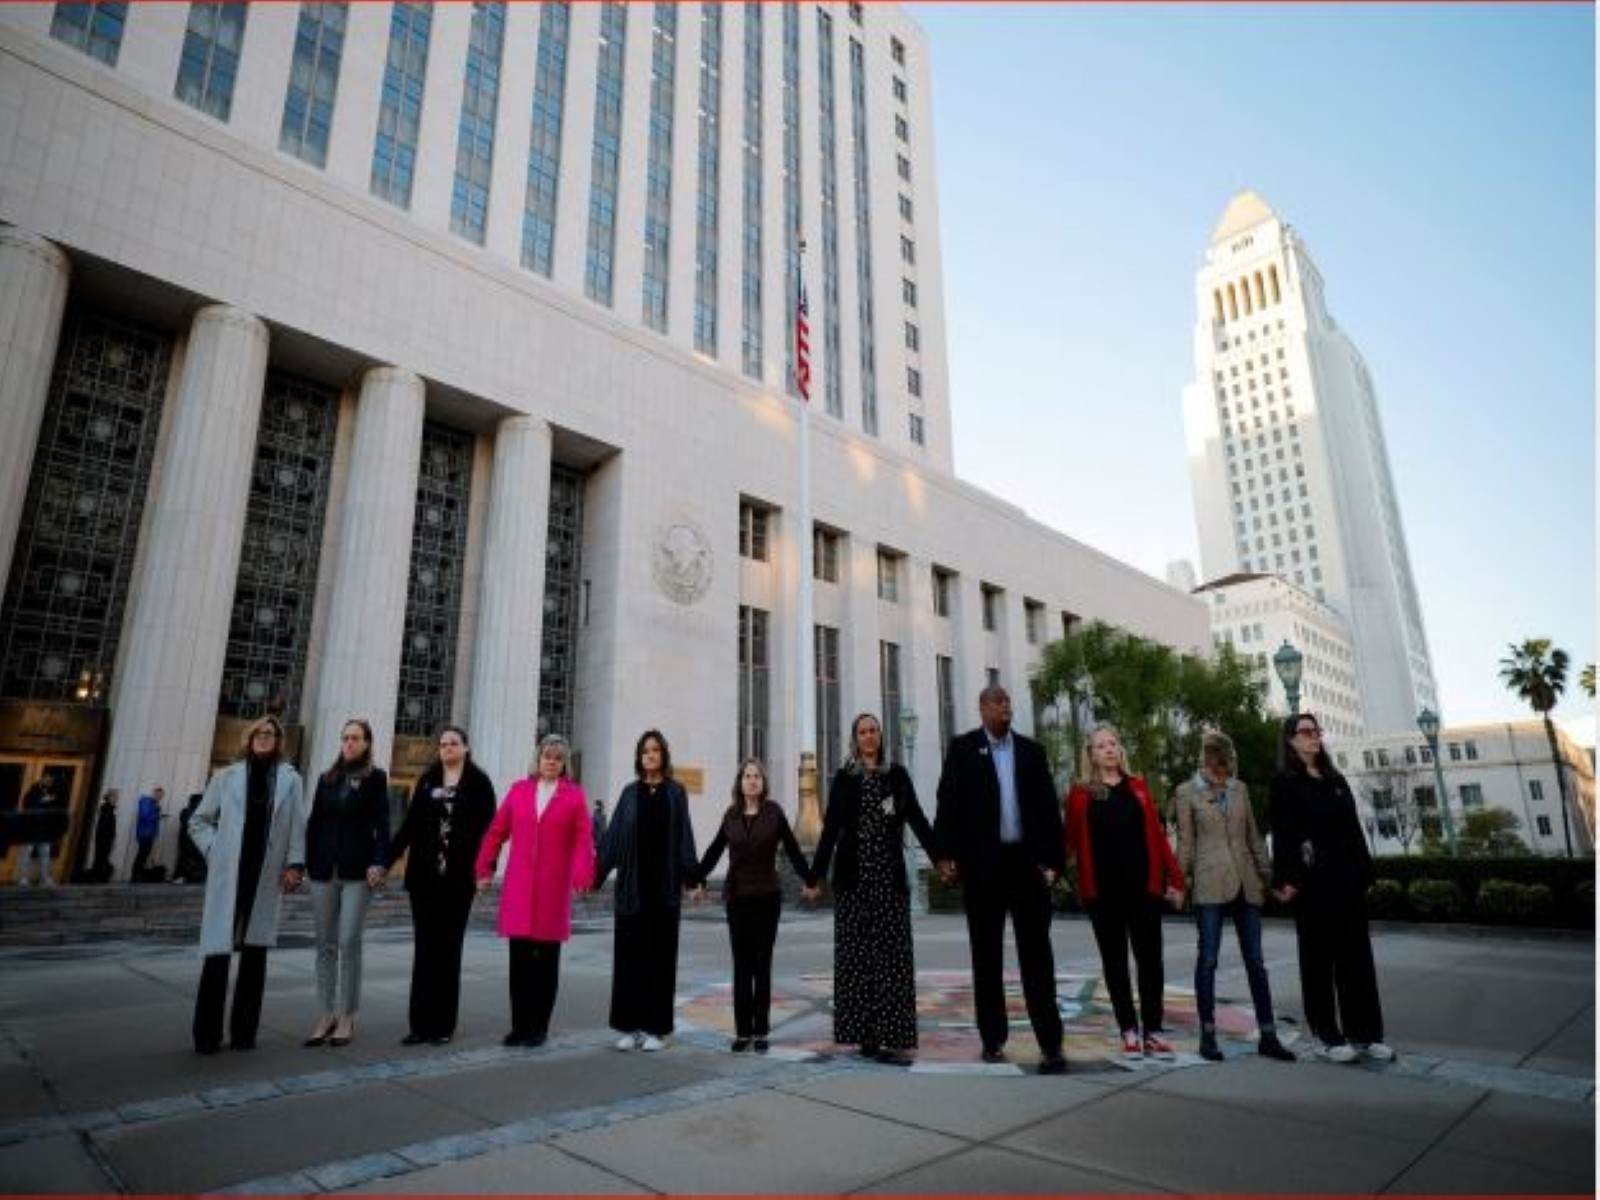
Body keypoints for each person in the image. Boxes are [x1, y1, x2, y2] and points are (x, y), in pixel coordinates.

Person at [934, 686, 1068, 1075]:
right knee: (986, 955)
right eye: (998, 701)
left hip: (1025, 866)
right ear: (982, 708)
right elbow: (949, 803)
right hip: (983, 869)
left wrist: (1053, 863)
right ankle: (992, 1038)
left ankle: (1050, 1042)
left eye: (1008, 701)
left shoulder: (1031, 752)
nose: (1006, 707)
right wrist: (945, 856)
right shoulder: (964, 749)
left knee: (1037, 956)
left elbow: (1047, 810)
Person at [812, 713, 941, 1065]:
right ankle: (865, 1034)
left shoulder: (896, 776)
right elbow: (830, 829)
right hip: (854, 882)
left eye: (873, 731)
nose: (868, 737)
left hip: (888, 881)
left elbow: (916, 818)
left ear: (881, 737)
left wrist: (940, 857)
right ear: (855, 739)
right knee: (857, 960)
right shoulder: (845, 777)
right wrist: (815, 876)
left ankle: (892, 1034)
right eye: (862, 732)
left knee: (892, 959)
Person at [1270, 713, 1394, 1064]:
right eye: (1306, 732)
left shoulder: (1334, 778)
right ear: (1291, 740)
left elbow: (1353, 828)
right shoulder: (1285, 782)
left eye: (1316, 732)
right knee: (1318, 962)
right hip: (1312, 885)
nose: (1314, 737)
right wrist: (1284, 879)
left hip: (1347, 881)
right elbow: (1284, 834)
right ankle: (1326, 1035)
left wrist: (1366, 873)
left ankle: (1367, 1034)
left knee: (1357, 960)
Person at [186, 716, 307, 1054]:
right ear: (249, 737)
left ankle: (244, 1033)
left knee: (255, 954)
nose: (265, 738)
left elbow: (298, 825)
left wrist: (295, 865)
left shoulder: (290, 779)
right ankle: (206, 1036)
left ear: (279, 740)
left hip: (265, 874)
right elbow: (198, 820)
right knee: (218, 954)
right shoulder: (226, 776)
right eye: (260, 733)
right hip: (230, 872)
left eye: (271, 734)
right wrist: (215, 849)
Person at [1065, 724, 1185, 1060]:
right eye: (1100, 745)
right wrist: (1050, 869)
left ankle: (1154, 1031)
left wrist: (1175, 879)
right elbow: (1069, 840)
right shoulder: (1081, 794)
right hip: (1102, 895)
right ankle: (1128, 1031)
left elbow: (1159, 840)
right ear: (1090, 754)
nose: (1108, 749)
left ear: (1121, 750)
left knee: (1150, 962)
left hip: (1143, 890)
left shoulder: (1139, 788)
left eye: (1113, 743)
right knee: (1115, 963)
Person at [1174, 731, 1295, 1063]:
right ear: (1208, 760)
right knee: (1208, 959)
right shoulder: (1187, 792)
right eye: (1218, 768)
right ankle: (1208, 1035)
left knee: (1255, 961)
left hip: (1246, 882)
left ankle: (1268, 1035)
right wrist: (1177, 883)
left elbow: (1253, 837)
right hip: (1210, 883)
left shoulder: (1239, 789)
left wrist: (1272, 878)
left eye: (1228, 768)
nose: (1223, 774)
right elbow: (1185, 843)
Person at [475, 734, 595, 1048]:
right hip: (519, 889)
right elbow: (496, 832)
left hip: (552, 891)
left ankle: (538, 1026)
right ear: (537, 759)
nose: (551, 762)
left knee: (545, 963)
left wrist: (584, 871)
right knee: (520, 963)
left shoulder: (573, 796)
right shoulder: (519, 791)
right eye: (546, 756)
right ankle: (519, 1027)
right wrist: (484, 867)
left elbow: (583, 839)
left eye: (557, 757)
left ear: (563, 763)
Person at [695, 757, 818, 1052]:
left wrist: (810, 879)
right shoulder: (731, 815)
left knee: (762, 965)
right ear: (740, 782)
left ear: (763, 783)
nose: (752, 780)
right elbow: (713, 851)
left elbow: (792, 848)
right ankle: (742, 1032)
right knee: (742, 965)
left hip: (767, 897)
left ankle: (761, 1031)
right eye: (747, 776)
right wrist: (695, 879)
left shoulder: (774, 813)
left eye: (757, 776)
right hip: (737, 899)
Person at [388, 724, 496, 1047]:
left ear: (465, 748)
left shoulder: (479, 783)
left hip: (458, 882)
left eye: (453, 743)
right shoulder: (427, 781)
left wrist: (485, 871)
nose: (446, 748)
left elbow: (490, 834)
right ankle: (419, 1025)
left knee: (449, 951)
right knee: (424, 951)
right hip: (424, 880)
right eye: (442, 744)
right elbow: (408, 827)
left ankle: (443, 1025)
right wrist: (385, 860)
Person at [595, 729, 699, 1052]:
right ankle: (630, 1026)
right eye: (645, 751)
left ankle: (656, 1029)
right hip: (632, 891)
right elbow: (612, 839)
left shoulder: (675, 792)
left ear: (663, 755)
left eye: (655, 750)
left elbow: (684, 837)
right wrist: (595, 875)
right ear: (639, 758)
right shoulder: (629, 793)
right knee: (629, 961)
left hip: (664, 892)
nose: (650, 755)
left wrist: (693, 880)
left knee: (660, 962)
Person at [303, 719, 391, 1049]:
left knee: (348, 940)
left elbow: (383, 825)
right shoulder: (327, 779)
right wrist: (306, 863)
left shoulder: (375, 778)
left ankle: (346, 1014)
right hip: (324, 869)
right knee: (324, 944)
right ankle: (325, 1013)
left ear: (367, 743)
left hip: (357, 871)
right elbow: (314, 823)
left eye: (356, 738)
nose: (349, 743)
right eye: (345, 738)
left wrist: (380, 861)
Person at [15, 774, 64, 887]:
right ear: (42, 780)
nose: (49, 782)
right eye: (47, 780)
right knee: (26, 852)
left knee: (45, 853)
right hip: (31, 828)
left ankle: (43, 878)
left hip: (44, 829)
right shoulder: (32, 792)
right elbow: (28, 807)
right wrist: (42, 801)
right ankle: (22, 878)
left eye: (51, 781)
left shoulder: (52, 794)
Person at [173, 793, 207, 884]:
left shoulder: (187, 811)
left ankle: (188, 877)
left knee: (187, 859)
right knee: (187, 859)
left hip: (189, 840)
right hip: (190, 840)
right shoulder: (190, 811)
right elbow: (191, 822)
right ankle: (183, 877)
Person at [133, 786, 165, 880]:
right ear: (154, 793)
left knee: (145, 855)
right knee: (142, 854)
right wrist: (157, 815)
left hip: (150, 833)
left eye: (161, 796)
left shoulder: (154, 804)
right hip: (144, 832)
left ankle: (138, 874)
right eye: (159, 795)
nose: (160, 798)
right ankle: (135, 876)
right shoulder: (146, 802)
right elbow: (145, 816)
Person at [90, 789, 119, 883]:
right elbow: (105, 826)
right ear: (109, 798)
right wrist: (109, 838)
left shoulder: (109, 809)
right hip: (103, 839)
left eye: (116, 797)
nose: (116, 799)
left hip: (105, 839)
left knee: (101, 858)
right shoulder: (106, 809)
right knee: (100, 858)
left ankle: (97, 877)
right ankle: (97, 878)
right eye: (114, 797)